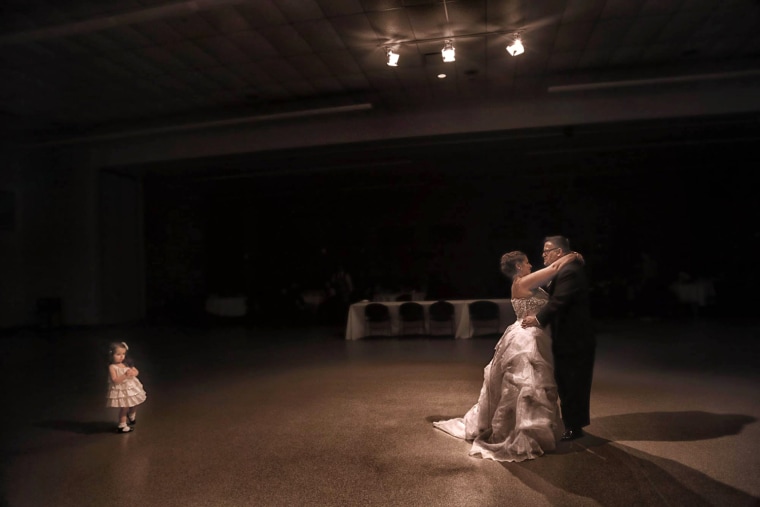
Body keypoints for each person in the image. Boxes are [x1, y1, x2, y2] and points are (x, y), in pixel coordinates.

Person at [433, 250, 581, 462]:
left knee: (530, 386)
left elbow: (552, 282)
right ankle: (523, 433)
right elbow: (554, 269)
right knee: (528, 386)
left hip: (529, 334)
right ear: (519, 266)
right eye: (528, 263)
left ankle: (533, 428)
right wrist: (573, 255)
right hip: (526, 338)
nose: (531, 265)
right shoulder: (523, 282)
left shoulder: (524, 283)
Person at [522, 235, 596, 441]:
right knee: (565, 381)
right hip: (563, 336)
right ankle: (572, 422)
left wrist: (537, 319)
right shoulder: (560, 270)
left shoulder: (569, 271)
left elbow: (559, 301)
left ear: (559, 252)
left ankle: (575, 426)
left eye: (547, 251)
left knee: (574, 382)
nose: (542, 255)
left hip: (575, 338)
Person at [106, 341, 147, 433]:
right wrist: (125, 375)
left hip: (131, 388)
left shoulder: (126, 363)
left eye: (123, 354)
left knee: (135, 402)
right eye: (118, 354)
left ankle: (131, 414)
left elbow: (136, 371)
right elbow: (115, 380)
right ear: (111, 355)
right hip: (122, 390)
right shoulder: (112, 367)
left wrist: (133, 373)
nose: (121, 356)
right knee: (124, 407)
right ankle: (122, 425)